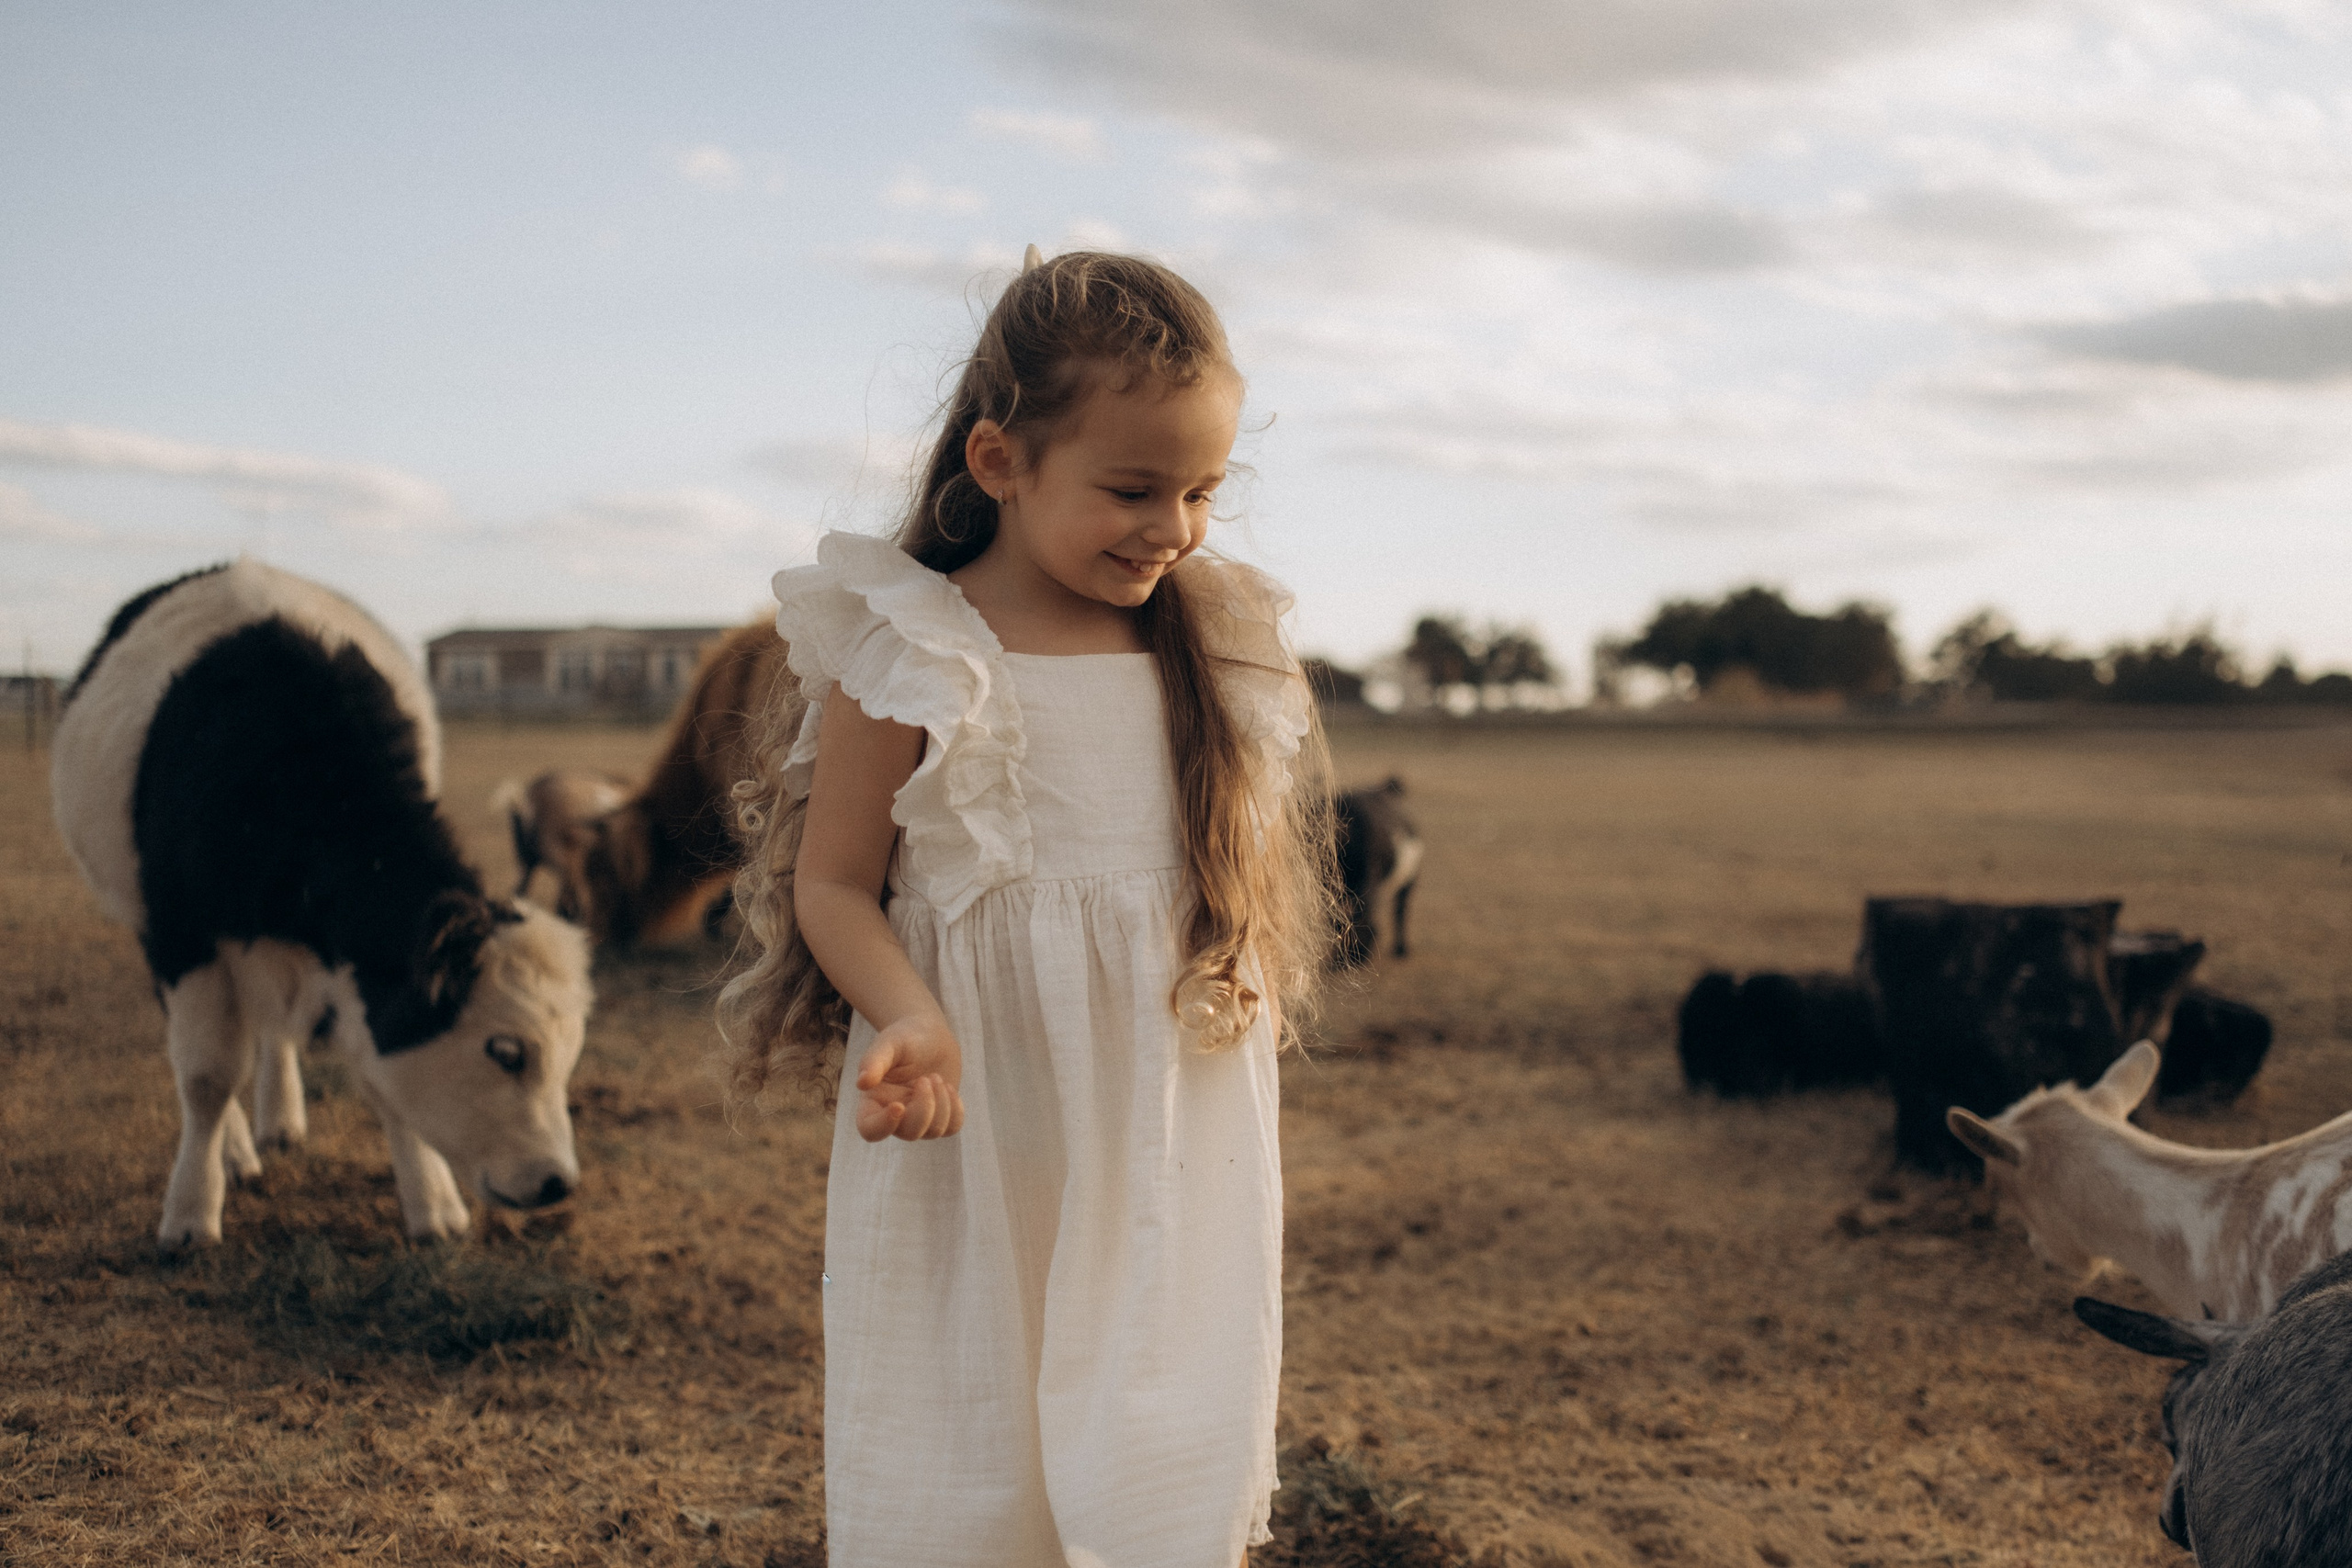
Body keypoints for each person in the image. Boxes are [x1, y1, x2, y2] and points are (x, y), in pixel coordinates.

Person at [720, 248, 1335, 1567]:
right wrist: (908, 1014)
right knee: (972, 1421)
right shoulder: (916, 650)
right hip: (980, 1102)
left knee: (1156, 1404)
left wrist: (1230, 957)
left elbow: (1207, 867)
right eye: (1131, 489)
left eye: (1201, 492)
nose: (1171, 528)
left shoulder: (1212, 645)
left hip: (1162, 1109)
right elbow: (835, 884)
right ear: (999, 462)